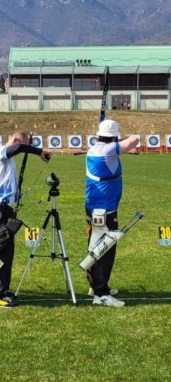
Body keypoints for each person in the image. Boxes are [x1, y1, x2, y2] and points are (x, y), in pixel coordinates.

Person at [0, 130, 50, 309]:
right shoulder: (1, 153)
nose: (22, 150)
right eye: (20, 145)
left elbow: (20, 147)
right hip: (1, 210)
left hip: (4, 209)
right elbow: (20, 147)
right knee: (2, 252)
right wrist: (39, 152)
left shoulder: (6, 157)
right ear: (14, 140)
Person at [85, 119, 139, 307]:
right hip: (104, 208)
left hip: (96, 206)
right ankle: (101, 293)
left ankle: (96, 285)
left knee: (95, 244)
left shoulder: (95, 147)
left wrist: (114, 138)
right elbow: (134, 140)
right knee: (105, 248)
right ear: (114, 137)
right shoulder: (108, 150)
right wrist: (120, 139)